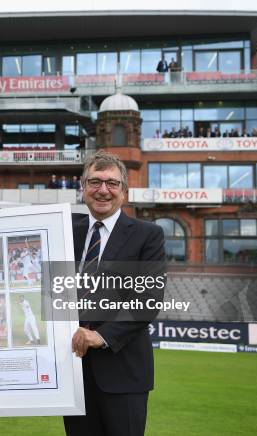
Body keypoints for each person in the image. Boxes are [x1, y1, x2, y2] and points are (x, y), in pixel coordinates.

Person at [63, 150, 165, 436]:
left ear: (124, 191)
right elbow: (19, 237)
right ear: (83, 188)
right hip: (73, 372)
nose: (103, 190)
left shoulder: (148, 235)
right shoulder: (65, 228)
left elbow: (148, 302)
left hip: (124, 374)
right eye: (95, 182)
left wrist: (102, 336)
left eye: (112, 183)